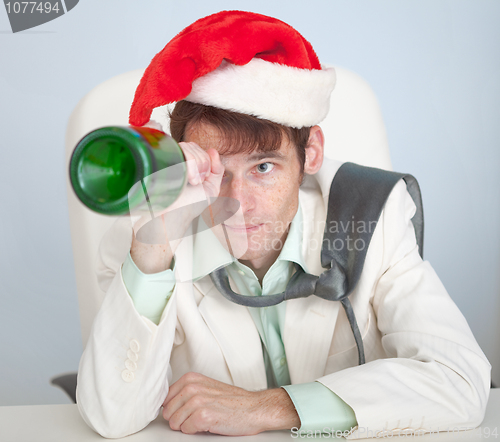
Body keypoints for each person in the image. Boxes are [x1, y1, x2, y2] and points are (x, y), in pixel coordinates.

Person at [76, 10, 491, 439]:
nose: (237, 203)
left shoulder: (373, 218)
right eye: (214, 172)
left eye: (263, 167)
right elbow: (112, 418)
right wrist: (153, 253)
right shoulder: (144, 242)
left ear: (310, 154)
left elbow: (459, 381)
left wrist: (267, 407)